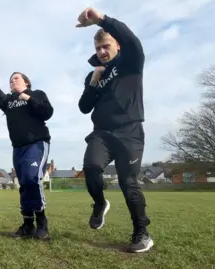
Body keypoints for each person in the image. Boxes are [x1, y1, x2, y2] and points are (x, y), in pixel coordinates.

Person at [75, 8, 153, 253]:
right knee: (91, 167)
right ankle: (99, 204)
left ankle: (141, 232)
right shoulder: (95, 73)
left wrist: (101, 20)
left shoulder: (131, 63)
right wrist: (92, 84)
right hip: (102, 133)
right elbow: (83, 107)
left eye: (106, 46)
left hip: (129, 132)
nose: (102, 52)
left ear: (117, 45)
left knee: (128, 182)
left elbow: (133, 42)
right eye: (98, 48)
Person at [0, 63, 53, 240]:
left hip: (37, 143)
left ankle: (42, 223)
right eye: (10, 80)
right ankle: (27, 224)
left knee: (32, 178)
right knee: (23, 184)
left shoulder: (36, 94)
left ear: (26, 82)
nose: (12, 81)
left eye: (16, 78)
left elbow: (47, 112)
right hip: (18, 148)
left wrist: (29, 99)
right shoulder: (8, 101)